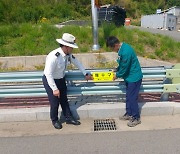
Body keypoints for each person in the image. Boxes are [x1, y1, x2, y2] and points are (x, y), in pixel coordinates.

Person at [42, 33, 92, 129]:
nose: (72, 49)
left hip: (61, 79)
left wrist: (85, 73)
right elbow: (48, 74)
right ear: (66, 47)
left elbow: (77, 62)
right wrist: (54, 89)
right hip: (50, 81)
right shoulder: (54, 56)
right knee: (55, 102)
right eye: (71, 47)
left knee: (64, 100)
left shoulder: (67, 54)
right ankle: (55, 120)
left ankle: (68, 118)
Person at [106, 36, 143, 127]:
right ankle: (129, 113)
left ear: (115, 45)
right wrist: (117, 69)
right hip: (129, 77)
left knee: (132, 98)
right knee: (128, 96)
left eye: (112, 48)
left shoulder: (125, 52)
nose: (112, 50)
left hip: (134, 78)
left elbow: (124, 68)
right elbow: (122, 64)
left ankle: (136, 117)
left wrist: (117, 75)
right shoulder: (123, 48)